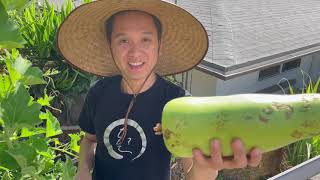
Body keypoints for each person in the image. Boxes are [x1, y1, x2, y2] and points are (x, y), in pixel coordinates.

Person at [57, 1, 262, 179]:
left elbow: (191, 169)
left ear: (159, 46)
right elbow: (90, 139)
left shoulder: (178, 103)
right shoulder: (98, 93)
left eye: (146, 39)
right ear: (110, 46)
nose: (135, 52)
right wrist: (83, 170)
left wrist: (206, 169)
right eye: (123, 41)